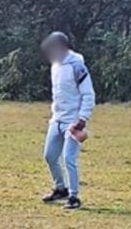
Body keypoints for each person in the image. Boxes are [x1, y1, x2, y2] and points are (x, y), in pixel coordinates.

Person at [39, 31, 95, 211]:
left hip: (73, 121)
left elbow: (88, 94)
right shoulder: (55, 66)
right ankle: (60, 188)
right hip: (57, 119)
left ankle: (74, 196)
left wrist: (82, 118)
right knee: (50, 155)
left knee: (69, 157)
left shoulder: (77, 66)